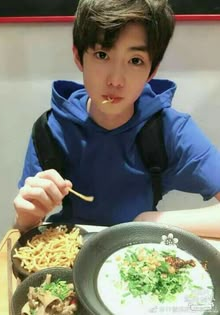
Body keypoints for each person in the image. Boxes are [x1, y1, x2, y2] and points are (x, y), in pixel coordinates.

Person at [14, 0, 220, 237]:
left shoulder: (170, 130)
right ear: (79, 57)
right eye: (102, 55)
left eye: (135, 61)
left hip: (139, 255)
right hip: (68, 254)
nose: (116, 80)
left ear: (152, 71)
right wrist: (26, 220)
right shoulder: (50, 130)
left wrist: (152, 221)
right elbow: (25, 233)